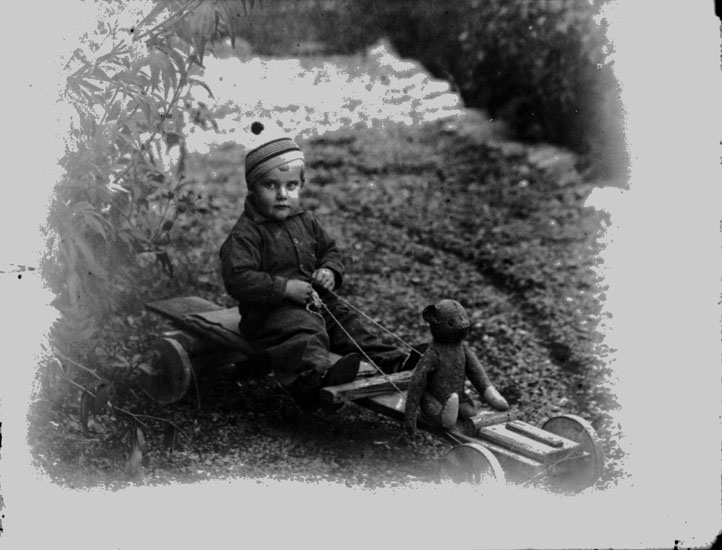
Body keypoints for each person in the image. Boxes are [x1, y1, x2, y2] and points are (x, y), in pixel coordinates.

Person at [220, 123, 414, 412]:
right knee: (305, 333)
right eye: (271, 185)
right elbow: (237, 277)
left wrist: (329, 271)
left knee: (350, 323)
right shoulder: (246, 234)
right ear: (252, 187)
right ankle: (313, 380)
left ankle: (397, 361)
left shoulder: (306, 221)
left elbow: (329, 251)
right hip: (269, 315)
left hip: (316, 302)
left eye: (291, 186)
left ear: (301, 185)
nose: (282, 194)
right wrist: (285, 288)